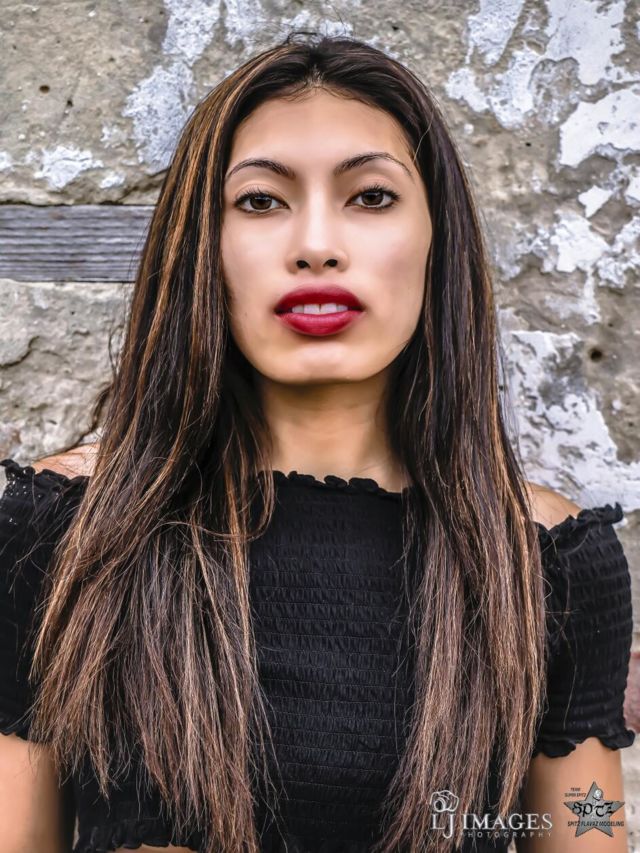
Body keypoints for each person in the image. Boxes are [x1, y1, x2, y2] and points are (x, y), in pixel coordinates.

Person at [0, 32, 635, 853]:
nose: (316, 244)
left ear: (436, 238)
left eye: (371, 195)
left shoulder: (547, 561)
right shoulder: (68, 531)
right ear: (203, 247)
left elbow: (584, 828)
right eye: (261, 201)